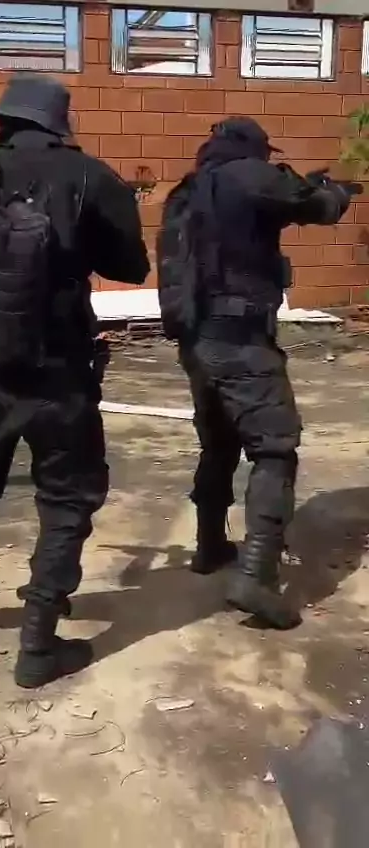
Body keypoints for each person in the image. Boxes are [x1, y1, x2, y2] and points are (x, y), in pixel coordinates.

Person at [0, 74, 149, 687]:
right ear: (58, 124)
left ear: (5, 121)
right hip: (62, 374)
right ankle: (38, 643)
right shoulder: (92, 179)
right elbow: (132, 266)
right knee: (66, 499)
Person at [157, 116, 361, 630]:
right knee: (274, 448)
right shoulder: (249, 175)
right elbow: (317, 208)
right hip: (240, 339)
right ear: (254, 150)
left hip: (196, 341)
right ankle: (257, 576)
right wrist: (337, 192)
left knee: (220, 443)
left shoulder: (188, 191)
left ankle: (209, 546)